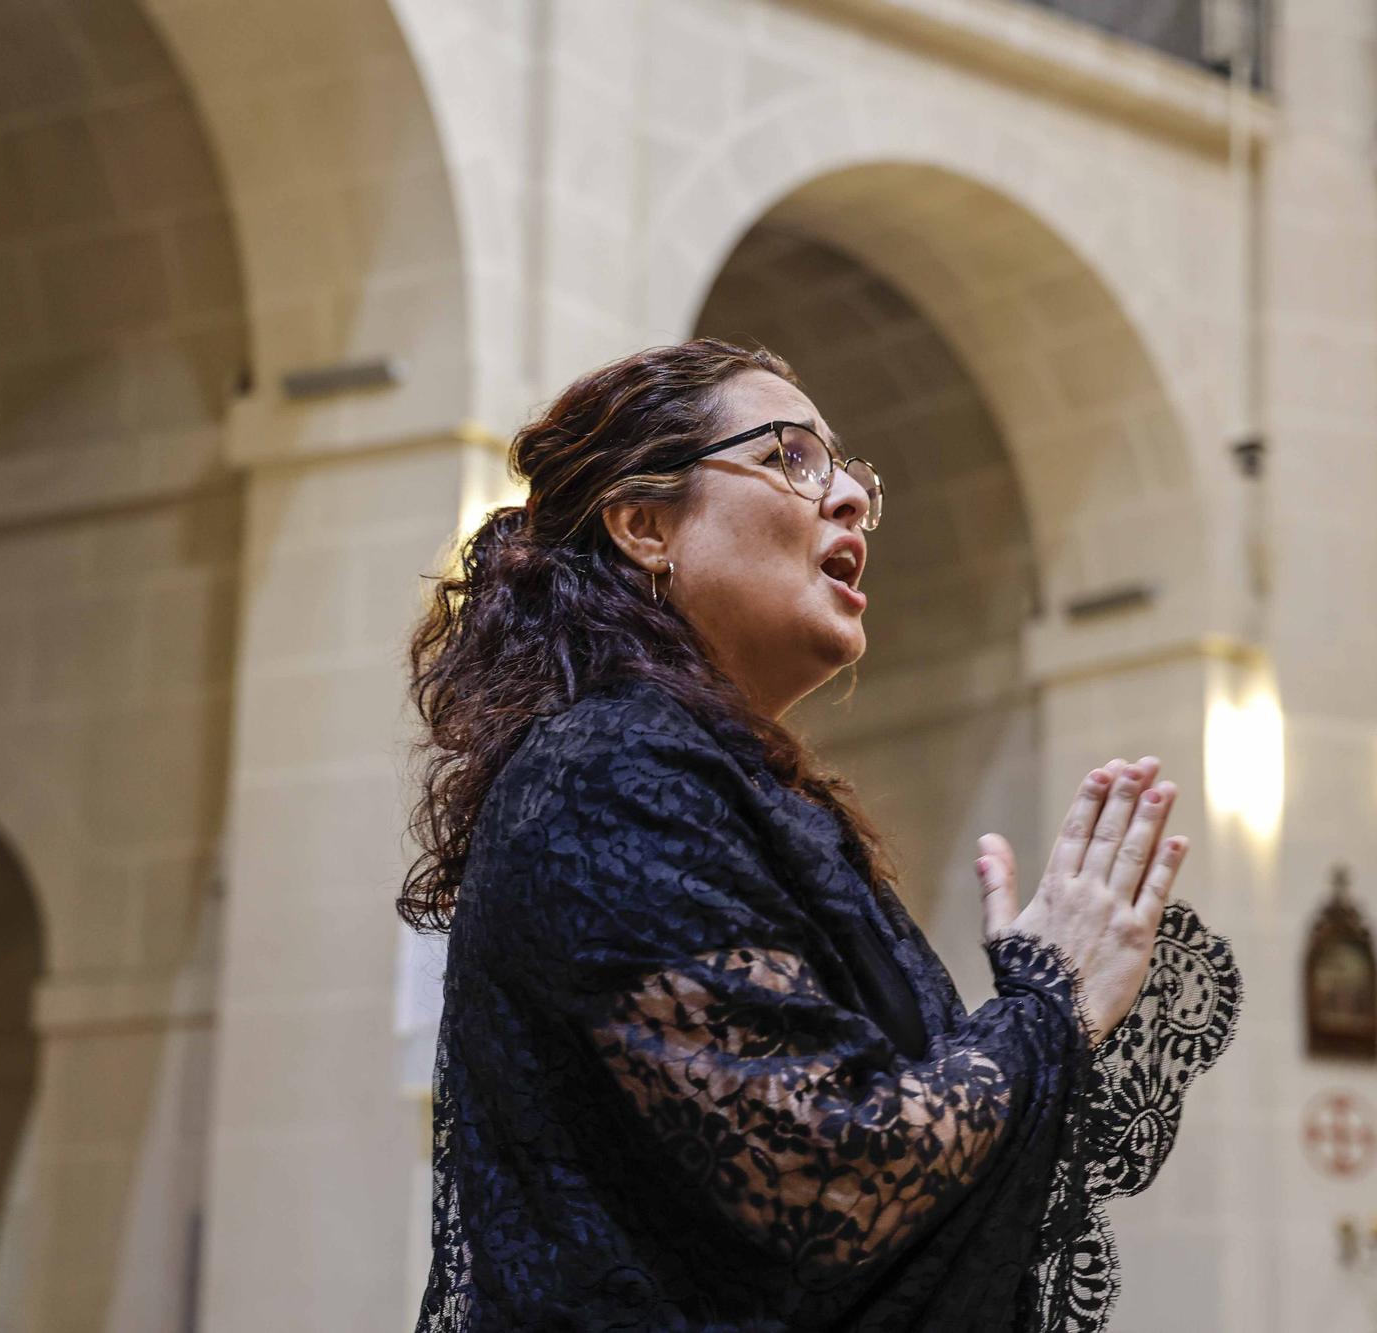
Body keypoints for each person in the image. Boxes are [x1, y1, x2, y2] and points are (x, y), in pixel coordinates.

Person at [403, 339, 1239, 1331]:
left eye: (848, 475)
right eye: (792, 457)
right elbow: (832, 1179)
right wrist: (1046, 1005)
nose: (844, 496)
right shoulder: (606, 776)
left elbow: (893, 1167)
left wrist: (1044, 1009)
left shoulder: (751, 798)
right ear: (642, 524)